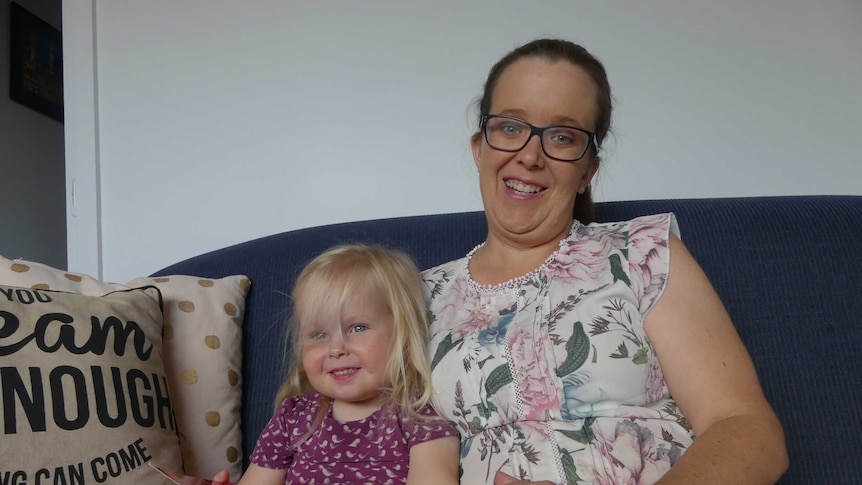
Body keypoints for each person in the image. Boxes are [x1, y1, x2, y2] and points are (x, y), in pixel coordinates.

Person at [421, 38, 789, 485]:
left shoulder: (641, 251)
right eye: (512, 127)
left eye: (562, 136)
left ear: (587, 171)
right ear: (480, 147)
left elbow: (748, 431)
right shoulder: (414, 297)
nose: (531, 156)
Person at [229, 244, 459, 484]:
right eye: (319, 335)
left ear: (403, 333)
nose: (336, 349)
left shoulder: (417, 414)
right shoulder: (292, 418)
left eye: (358, 328)